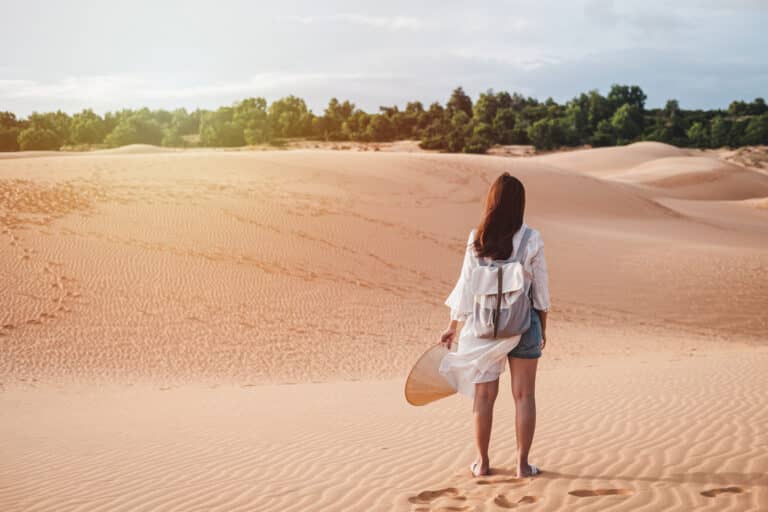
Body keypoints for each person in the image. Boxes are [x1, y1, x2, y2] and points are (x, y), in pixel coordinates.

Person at [438, 172, 550, 478]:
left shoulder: (478, 238)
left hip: (483, 328)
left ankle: (483, 463)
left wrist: (454, 326)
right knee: (524, 396)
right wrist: (542, 326)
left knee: (484, 397)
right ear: (519, 204)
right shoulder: (532, 239)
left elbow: (465, 287)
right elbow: (540, 292)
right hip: (523, 327)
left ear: (492, 202)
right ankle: (522, 465)